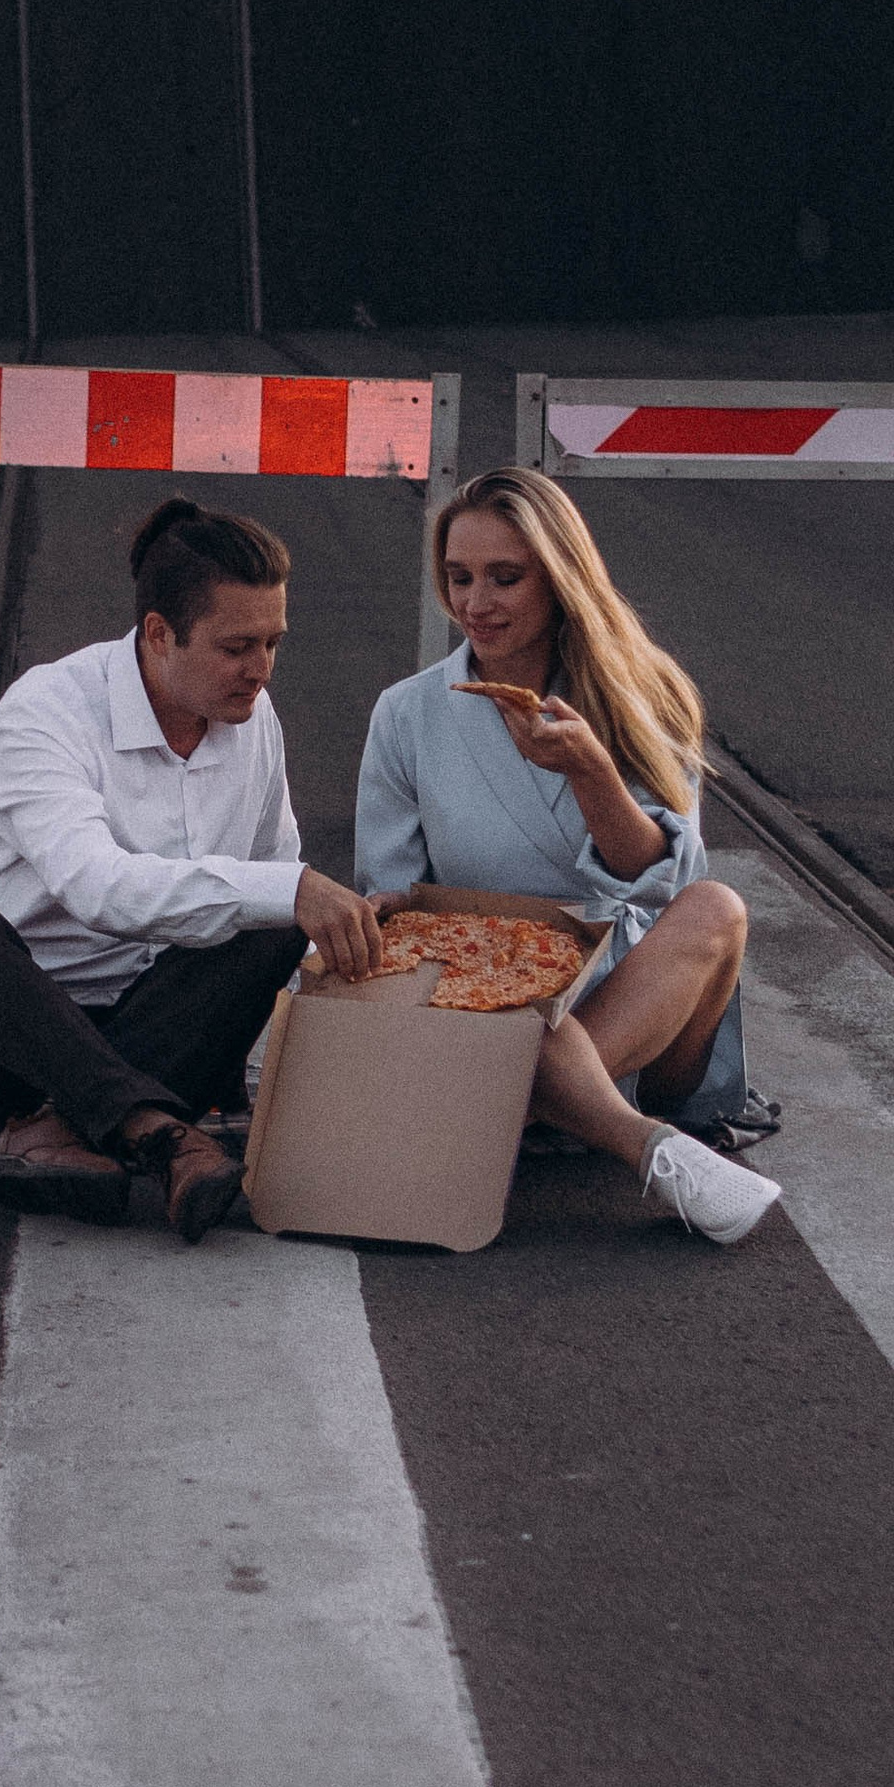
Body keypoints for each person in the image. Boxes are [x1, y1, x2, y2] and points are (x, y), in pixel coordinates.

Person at [0, 497, 385, 1242]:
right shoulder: (45, 713)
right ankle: (148, 1132)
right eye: (236, 647)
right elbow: (96, 886)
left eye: (273, 643)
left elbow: (273, 887)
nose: (260, 670)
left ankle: (81, 1136)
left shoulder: (253, 716)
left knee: (273, 921)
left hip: (152, 1045)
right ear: (159, 634)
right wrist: (289, 890)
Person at [355, 464, 781, 1249]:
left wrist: (591, 772)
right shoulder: (407, 713)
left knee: (718, 906)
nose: (476, 605)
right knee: (523, 1017)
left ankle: (521, 1112)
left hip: (632, 1012)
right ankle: (645, 1147)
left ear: (560, 578)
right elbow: (392, 894)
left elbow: (668, 886)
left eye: (505, 578)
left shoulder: (642, 695)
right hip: (482, 1005)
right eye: (459, 578)